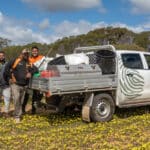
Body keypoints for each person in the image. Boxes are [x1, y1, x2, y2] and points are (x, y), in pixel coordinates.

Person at [4, 49, 38, 123]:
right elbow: (6, 68)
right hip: (15, 84)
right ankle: (17, 116)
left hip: (24, 85)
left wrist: (30, 73)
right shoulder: (15, 60)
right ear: (21, 54)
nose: (26, 55)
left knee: (20, 101)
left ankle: (18, 113)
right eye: (24, 53)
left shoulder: (29, 62)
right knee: (16, 99)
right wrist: (10, 77)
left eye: (27, 54)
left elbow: (36, 70)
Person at [22, 46, 44, 114]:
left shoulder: (42, 58)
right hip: (29, 80)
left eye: (36, 51)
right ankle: (23, 109)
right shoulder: (29, 59)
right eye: (33, 51)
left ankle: (33, 110)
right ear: (32, 52)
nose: (35, 52)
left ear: (38, 51)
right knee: (26, 95)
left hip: (38, 80)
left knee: (36, 95)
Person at [0, 51, 11, 117]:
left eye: (2, 55)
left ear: (4, 56)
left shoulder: (7, 64)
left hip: (6, 84)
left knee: (7, 99)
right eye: (0, 55)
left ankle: (7, 113)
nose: (1, 56)